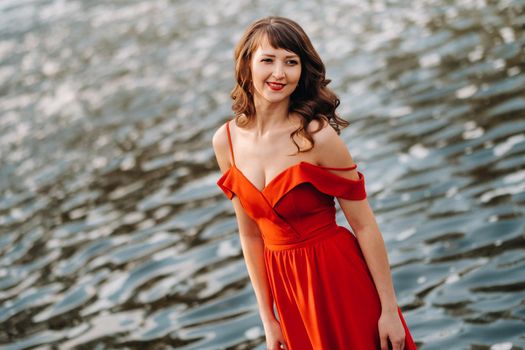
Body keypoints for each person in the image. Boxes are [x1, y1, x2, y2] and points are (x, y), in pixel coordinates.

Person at [212, 16, 418, 350]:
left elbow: (364, 226)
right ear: (247, 64)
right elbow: (250, 235)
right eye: (268, 60)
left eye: (290, 62)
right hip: (289, 294)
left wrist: (389, 310)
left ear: (302, 71)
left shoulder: (317, 137)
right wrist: (269, 319)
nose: (279, 73)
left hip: (339, 278)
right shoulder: (226, 142)